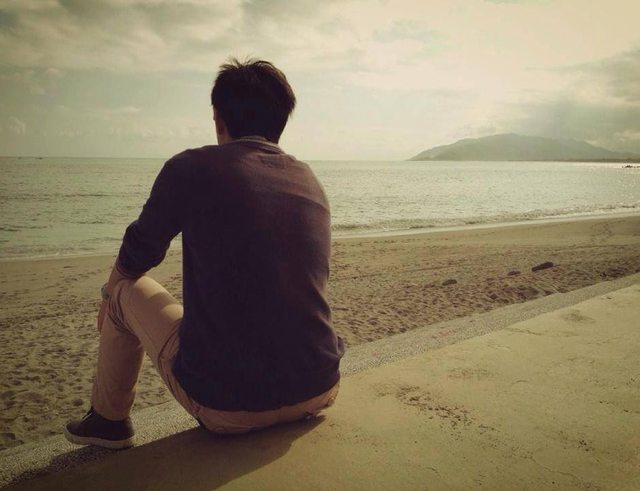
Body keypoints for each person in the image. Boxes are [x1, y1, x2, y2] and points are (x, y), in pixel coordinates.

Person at [64, 58, 345, 449]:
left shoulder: (191, 168)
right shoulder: (309, 179)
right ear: (281, 121)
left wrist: (108, 296)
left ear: (218, 118)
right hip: (318, 387)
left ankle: (107, 422)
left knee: (125, 289)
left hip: (230, 408)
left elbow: (138, 252)